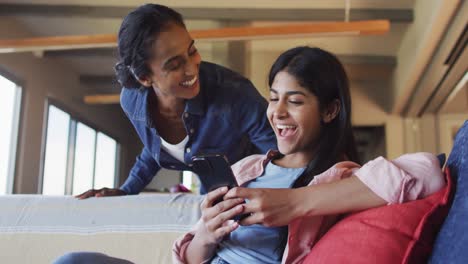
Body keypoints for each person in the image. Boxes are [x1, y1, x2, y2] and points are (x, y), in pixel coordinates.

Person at [172, 46, 445, 264]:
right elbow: (187, 257)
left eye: (294, 101)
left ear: (330, 111)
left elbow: (428, 172)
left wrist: (293, 202)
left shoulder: (341, 180)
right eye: (273, 97)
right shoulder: (247, 167)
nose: (277, 112)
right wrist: (207, 235)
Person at [76, 4, 276, 198]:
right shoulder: (132, 101)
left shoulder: (234, 94)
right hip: (215, 196)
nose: (192, 69)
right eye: (174, 65)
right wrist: (127, 190)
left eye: (191, 51)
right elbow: (155, 147)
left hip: (258, 189)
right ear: (144, 78)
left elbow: (281, 156)